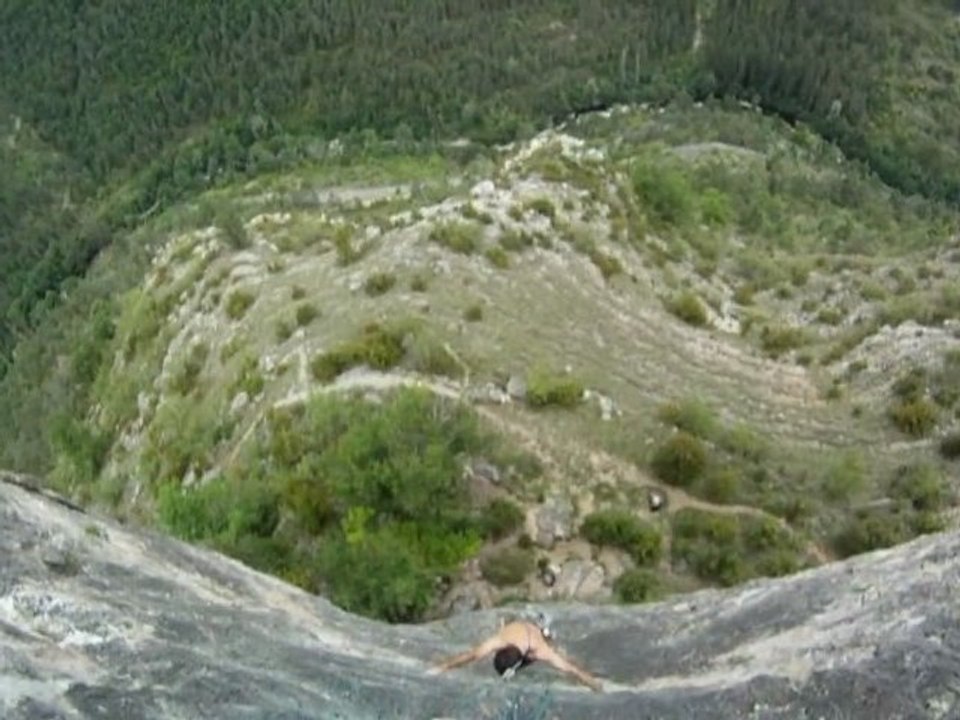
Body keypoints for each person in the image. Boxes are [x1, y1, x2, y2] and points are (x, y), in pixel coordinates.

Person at [428, 614, 603, 692]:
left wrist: (442, 667)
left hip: (529, 635)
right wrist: (593, 683)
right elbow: (569, 669)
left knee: (557, 653)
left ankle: (546, 632)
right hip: (522, 635)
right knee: (560, 657)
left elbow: (471, 655)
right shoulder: (509, 641)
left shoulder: (531, 647)